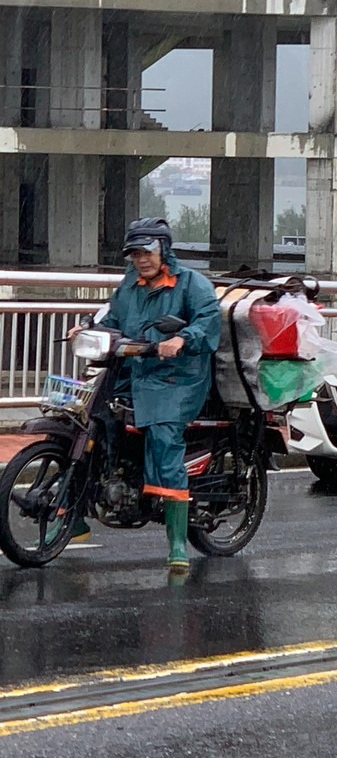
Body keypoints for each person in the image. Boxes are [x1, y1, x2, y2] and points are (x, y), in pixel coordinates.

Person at [71, 218, 221, 567]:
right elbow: (112, 320)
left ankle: (177, 543)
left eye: (147, 252)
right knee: (90, 423)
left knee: (163, 437)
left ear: (164, 250)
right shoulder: (129, 286)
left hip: (177, 378)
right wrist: (89, 328)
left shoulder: (192, 284)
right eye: (135, 254)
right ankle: (72, 517)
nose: (141, 259)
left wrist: (181, 339)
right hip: (133, 370)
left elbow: (208, 321)